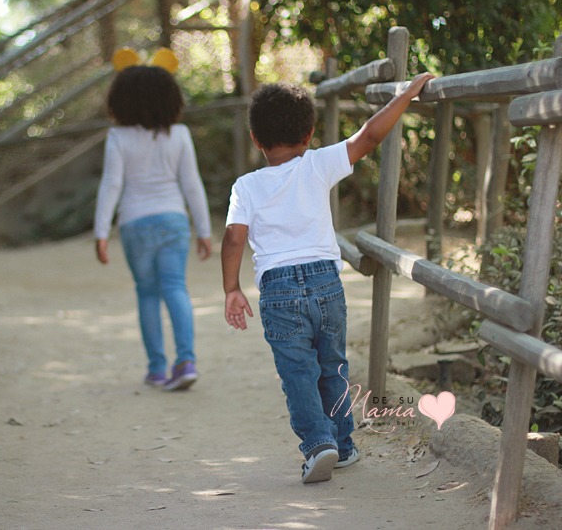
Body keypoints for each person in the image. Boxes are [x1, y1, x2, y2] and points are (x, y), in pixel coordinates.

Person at [221, 72, 434, 483]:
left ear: (254, 138)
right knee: (332, 365)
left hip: (278, 289)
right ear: (310, 133)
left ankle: (319, 444)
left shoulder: (245, 186)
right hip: (325, 284)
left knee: (297, 372)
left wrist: (232, 289)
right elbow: (369, 137)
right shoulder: (318, 164)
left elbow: (234, 238)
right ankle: (345, 444)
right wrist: (406, 95)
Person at [94, 48, 212, 391]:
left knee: (147, 293)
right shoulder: (180, 135)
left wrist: (101, 232)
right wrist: (203, 230)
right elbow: (192, 185)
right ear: (170, 98)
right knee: (176, 287)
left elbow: (111, 184)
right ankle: (186, 360)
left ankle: (157, 369)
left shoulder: (117, 137)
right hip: (174, 219)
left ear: (121, 99)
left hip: (134, 223)